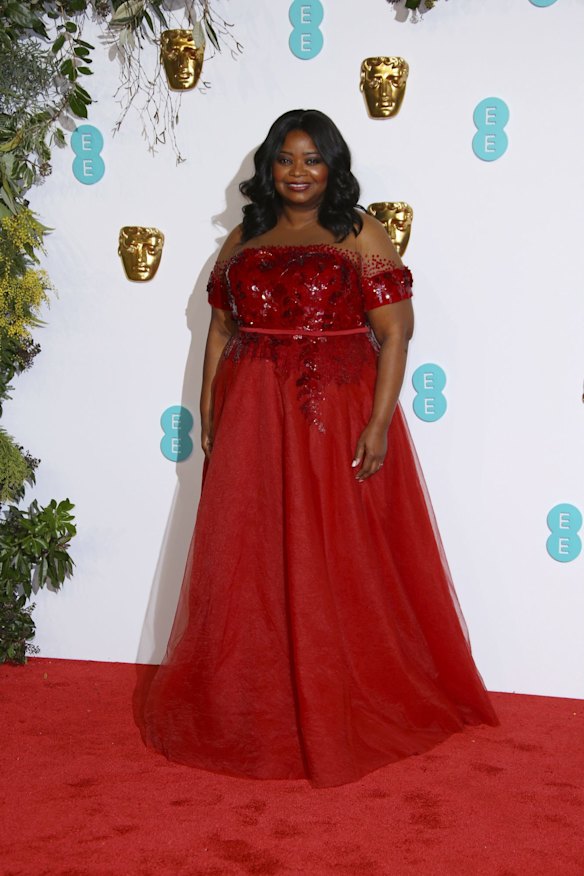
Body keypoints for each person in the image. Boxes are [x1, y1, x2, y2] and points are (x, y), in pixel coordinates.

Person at [143, 109, 498, 789]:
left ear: (333, 166)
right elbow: (220, 330)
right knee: (252, 549)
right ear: (268, 167)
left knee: (335, 551)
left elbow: (395, 332)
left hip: (329, 411)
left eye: (312, 159)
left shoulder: (358, 231)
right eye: (285, 159)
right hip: (253, 412)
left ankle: (337, 695)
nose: (298, 172)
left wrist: (380, 421)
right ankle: (259, 701)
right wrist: (210, 407)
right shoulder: (245, 236)